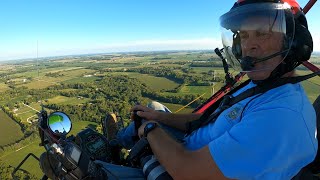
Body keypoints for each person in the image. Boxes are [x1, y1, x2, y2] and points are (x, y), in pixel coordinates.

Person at [41, 0, 318, 179]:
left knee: (87, 173)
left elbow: (187, 171)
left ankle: (103, 162)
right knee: (154, 110)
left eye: (262, 32)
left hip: (182, 169)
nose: (248, 46)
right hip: (196, 150)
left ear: (294, 41)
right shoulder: (263, 89)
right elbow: (205, 120)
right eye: (243, 36)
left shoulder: (279, 116)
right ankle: (114, 147)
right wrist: (159, 120)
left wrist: (150, 131)